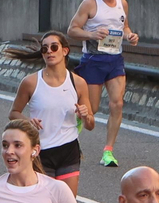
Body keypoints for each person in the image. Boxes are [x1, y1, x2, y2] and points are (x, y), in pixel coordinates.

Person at [67, 0, 137, 168]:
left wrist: (130, 36)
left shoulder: (122, 3)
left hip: (115, 60)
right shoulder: (90, 3)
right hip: (93, 60)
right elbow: (72, 29)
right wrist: (91, 34)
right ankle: (69, 135)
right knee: (92, 108)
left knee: (118, 104)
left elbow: (124, 27)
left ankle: (108, 151)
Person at [8, 31, 94, 194]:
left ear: (65, 51)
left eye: (54, 47)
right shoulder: (30, 82)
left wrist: (85, 115)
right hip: (40, 151)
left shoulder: (78, 83)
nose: (49, 52)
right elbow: (13, 113)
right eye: (45, 49)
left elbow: (90, 125)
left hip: (69, 149)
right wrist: (28, 121)